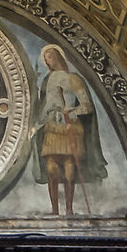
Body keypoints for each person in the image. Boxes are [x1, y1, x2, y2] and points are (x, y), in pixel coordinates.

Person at [30, 45, 105, 218]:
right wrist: (37, 125)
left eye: (51, 56)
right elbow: (45, 107)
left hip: (70, 126)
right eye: (46, 58)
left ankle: (69, 210)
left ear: (59, 57)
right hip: (52, 126)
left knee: (70, 168)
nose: (49, 60)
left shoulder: (73, 79)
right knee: (51, 168)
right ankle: (55, 210)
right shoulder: (47, 82)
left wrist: (71, 112)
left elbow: (86, 106)